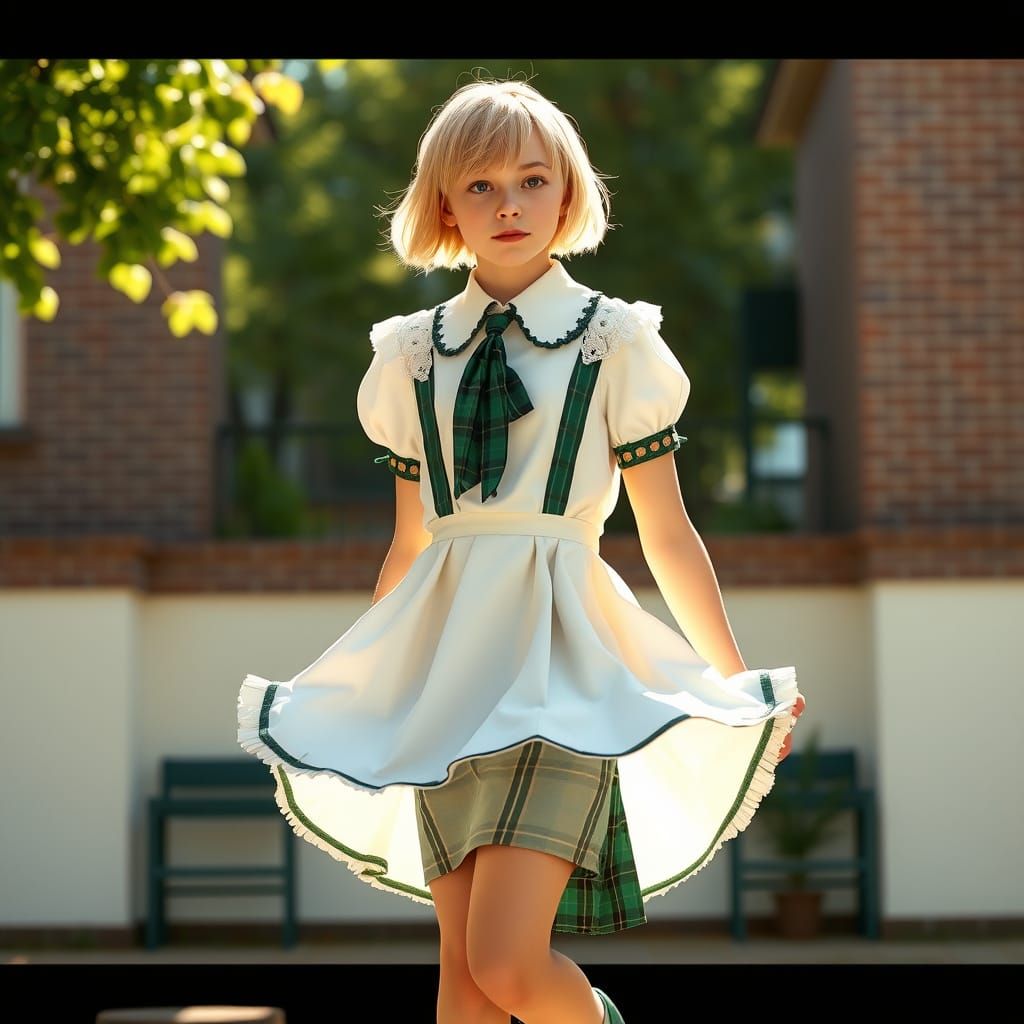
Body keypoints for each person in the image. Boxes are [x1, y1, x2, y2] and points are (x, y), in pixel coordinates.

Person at [238, 74, 806, 1024]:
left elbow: (665, 532)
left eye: (532, 181)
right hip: (446, 680)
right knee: (462, 986)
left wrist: (734, 685)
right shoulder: (410, 356)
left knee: (506, 963)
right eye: (481, 186)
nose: (509, 205)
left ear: (569, 193)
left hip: (561, 677)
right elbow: (409, 546)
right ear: (444, 207)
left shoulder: (616, 341)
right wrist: (374, 678)